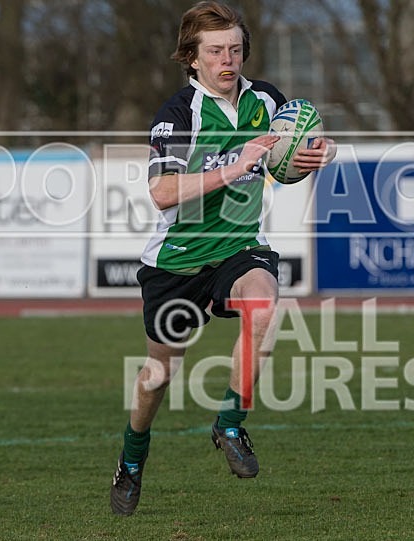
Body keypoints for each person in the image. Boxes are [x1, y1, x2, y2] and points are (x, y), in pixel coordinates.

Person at [109, 1, 336, 516]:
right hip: (178, 261)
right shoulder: (177, 115)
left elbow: (296, 150)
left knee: (264, 306)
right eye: (214, 51)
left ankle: (231, 423)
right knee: (158, 376)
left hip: (237, 248)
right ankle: (132, 459)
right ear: (192, 58)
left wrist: (322, 152)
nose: (226, 60)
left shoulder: (266, 100)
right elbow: (163, 192)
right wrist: (234, 167)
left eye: (234, 49)